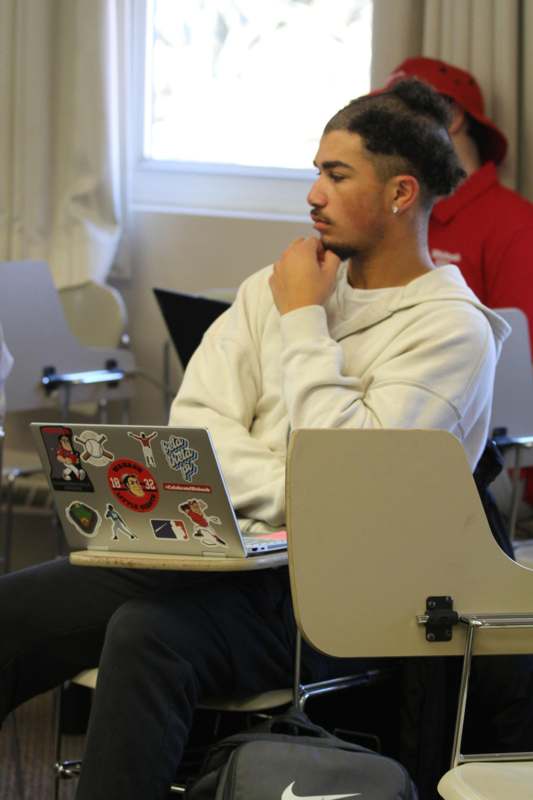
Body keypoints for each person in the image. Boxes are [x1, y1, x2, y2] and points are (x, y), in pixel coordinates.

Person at [0, 79, 510, 800]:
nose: (314, 194)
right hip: (217, 550)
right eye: (315, 172)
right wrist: (289, 489)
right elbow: (194, 436)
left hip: (337, 598)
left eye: (336, 175)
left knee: (148, 635)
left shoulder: (449, 330)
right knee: (13, 612)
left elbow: (352, 481)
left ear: (400, 194)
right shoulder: (267, 288)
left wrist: (305, 321)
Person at [378, 57, 533, 351]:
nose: (386, 133)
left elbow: (519, 364)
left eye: (398, 115)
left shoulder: (517, 225)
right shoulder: (396, 215)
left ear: (451, 116)